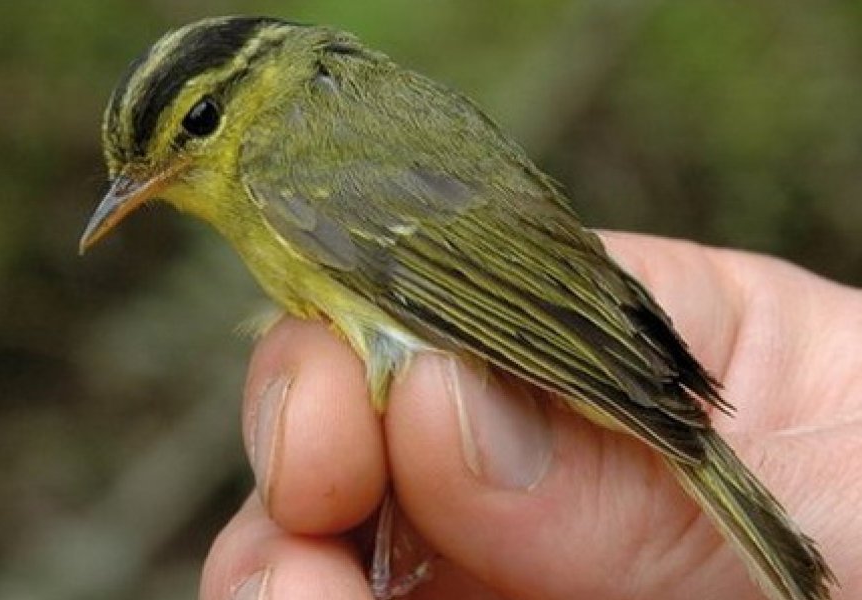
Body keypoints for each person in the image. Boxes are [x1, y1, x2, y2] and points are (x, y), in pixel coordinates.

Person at [199, 233, 861, 600]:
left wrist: (625, 380)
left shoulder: (281, 174)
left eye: (197, 124)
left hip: (530, 323)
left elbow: (462, 287)